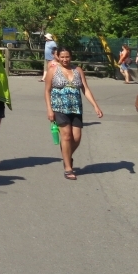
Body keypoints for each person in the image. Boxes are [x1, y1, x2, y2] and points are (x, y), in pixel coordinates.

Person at [44, 47, 103, 180]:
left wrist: (95, 106)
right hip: (59, 107)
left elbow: (85, 89)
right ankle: (68, 167)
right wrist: (49, 109)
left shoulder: (77, 70)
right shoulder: (53, 70)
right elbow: (47, 91)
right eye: (62, 57)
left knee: (76, 138)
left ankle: (67, 155)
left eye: (67, 56)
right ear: (58, 57)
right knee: (66, 136)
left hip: (76, 108)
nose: (65, 59)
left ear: (71, 57)